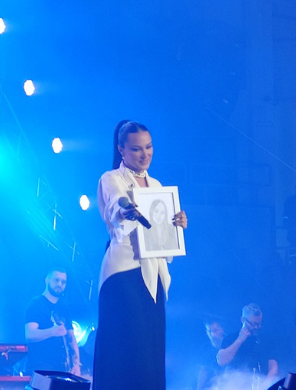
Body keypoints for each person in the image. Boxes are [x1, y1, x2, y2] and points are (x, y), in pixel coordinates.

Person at [93, 120, 188, 390]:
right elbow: (115, 204)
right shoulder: (111, 178)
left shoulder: (156, 184)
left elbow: (162, 228)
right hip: (123, 273)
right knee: (127, 347)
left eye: (148, 147)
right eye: (136, 149)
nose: (144, 154)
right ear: (121, 150)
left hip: (153, 274)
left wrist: (177, 223)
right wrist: (125, 210)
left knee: (151, 348)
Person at [24, 267, 81, 376]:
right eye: (56, 280)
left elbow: (71, 339)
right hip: (41, 368)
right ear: (47, 280)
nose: (60, 284)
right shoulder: (36, 304)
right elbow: (30, 335)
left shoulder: (64, 307)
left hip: (62, 368)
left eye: (63, 282)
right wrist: (52, 331)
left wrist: (76, 364)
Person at [216, 303, 278, 383]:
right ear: (243, 320)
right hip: (235, 384)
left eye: (259, 323)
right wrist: (240, 340)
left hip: (260, 384)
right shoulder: (230, 338)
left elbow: (273, 367)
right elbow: (221, 361)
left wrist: (265, 385)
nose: (256, 327)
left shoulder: (266, 340)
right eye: (253, 323)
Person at [196, 318, 225, 390]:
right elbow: (203, 371)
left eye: (215, 330)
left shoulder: (230, 344)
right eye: (209, 331)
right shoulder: (205, 348)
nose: (212, 334)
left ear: (221, 330)